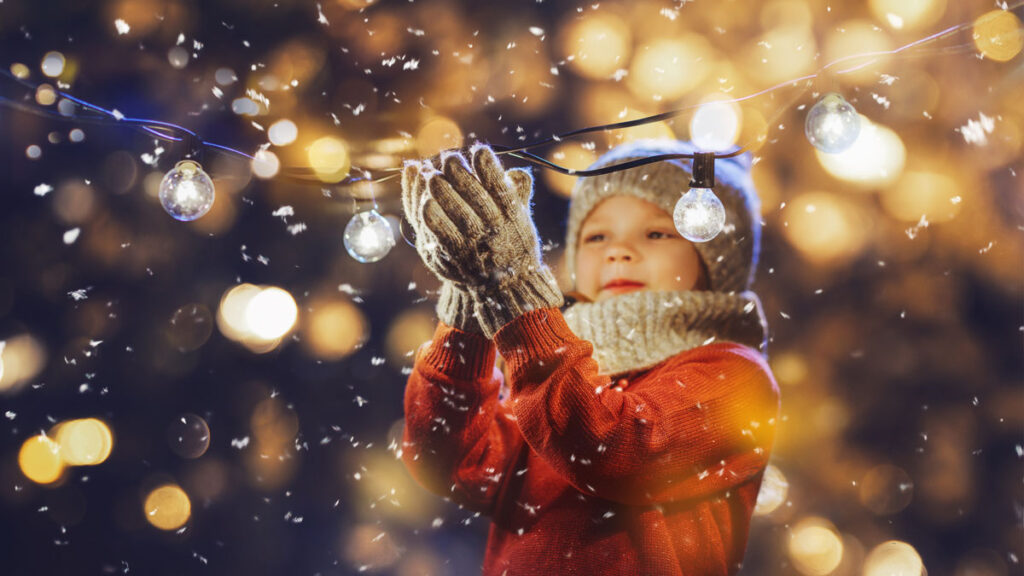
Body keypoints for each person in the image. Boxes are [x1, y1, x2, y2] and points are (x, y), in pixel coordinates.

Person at [399, 139, 781, 575]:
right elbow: (452, 466)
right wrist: (468, 307)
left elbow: (613, 449)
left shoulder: (735, 375)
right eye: (597, 236)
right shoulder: (544, 363)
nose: (619, 251)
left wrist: (514, 289)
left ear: (716, 262)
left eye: (656, 233)